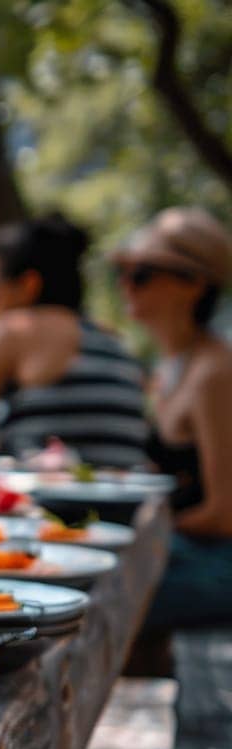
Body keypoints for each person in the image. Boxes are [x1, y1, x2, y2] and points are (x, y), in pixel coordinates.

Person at [0, 214, 148, 468]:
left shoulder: (15, 330)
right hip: (126, 501)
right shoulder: (113, 342)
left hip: (52, 503)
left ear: (28, 285)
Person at [112, 207, 232, 629]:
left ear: (193, 284)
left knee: (96, 598)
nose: (126, 284)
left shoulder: (215, 373)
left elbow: (224, 514)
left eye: (142, 274)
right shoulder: (172, 368)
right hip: (191, 553)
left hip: (217, 564)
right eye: (122, 272)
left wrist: (130, 540)